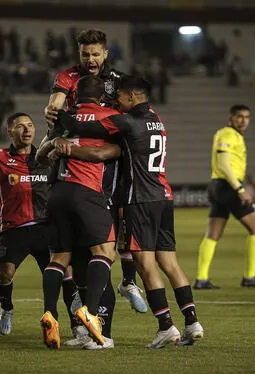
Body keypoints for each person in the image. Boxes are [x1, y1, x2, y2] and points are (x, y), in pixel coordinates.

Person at [55, 75, 204, 348]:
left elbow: (79, 126)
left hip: (140, 200)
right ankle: (192, 321)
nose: (116, 101)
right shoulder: (157, 119)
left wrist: (59, 115)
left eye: (120, 97)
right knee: (170, 263)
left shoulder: (127, 122)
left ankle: (165, 326)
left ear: (133, 96)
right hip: (164, 196)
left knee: (145, 265)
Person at [44, 28, 146, 313]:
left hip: (109, 158)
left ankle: (127, 281)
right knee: (82, 239)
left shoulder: (120, 81)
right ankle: (82, 296)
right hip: (76, 160)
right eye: (85, 54)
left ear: (106, 53)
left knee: (123, 218)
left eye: (95, 54)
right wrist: (54, 111)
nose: (90, 59)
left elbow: (134, 116)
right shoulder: (67, 76)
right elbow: (54, 108)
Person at [0, 113, 78, 336]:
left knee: (65, 273)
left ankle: (78, 328)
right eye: (20, 126)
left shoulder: (46, 156)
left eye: (30, 125)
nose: (27, 130)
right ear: (10, 131)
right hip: (14, 228)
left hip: (47, 226)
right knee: (4, 274)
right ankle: (6, 308)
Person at [37, 75, 123, 349]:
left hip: (57, 194)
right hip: (87, 192)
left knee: (59, 258)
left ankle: (50, 312)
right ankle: (91, 313)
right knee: (104, 252)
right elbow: (120, 149)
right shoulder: (108, 116)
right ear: (102, 96)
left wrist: (56, 145)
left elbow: (39, 157)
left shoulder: (63, 118)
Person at [194, 105, 255, 290]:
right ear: (231, 118)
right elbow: (223, 164)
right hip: (228, 186)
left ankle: (201, 278)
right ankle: (250, 276)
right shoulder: (228, 134)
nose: (243, 120)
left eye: (247, 117)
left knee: (213, 233)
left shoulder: (232, 135)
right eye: (239, 116)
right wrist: (239, 189)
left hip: (217, 186)